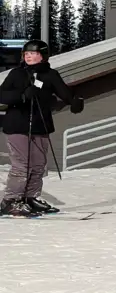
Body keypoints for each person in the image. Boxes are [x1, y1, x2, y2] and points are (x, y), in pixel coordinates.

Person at [0, 39, 84, 216]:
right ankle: (11, 201)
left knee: (38, 165)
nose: (29, 56)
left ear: (43, 56)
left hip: (40, 124)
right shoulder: (17, 74)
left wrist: (75, 102)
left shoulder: (50, 75)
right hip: (17, 124)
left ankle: (30, 198)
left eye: (34, 53)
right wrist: (22, 96)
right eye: (27, 54)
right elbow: (2, 95)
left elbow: (65, 92)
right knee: (22, 165)